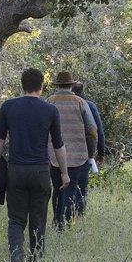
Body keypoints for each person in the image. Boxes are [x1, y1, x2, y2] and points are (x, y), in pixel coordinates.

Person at [0, 68, 70, 262]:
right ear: (42, 87)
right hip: (40, 172)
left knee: (16, 219)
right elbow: (58, 145)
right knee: (38, 216)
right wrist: (64, 173)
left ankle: (16, 259)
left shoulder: (8, 107)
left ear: (22, 86)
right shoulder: (50, 111)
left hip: (16, 171)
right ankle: (36, 257)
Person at [45, 71, 98, 229]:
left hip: (53, 154)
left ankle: (57, 220)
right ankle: (66, 222)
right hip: (77, 154)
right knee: (71, 188)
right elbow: (93, 130)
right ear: (71, 85)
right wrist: (91, 153)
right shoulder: (81, 102)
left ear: (58, 85)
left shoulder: (49, 102)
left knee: (57, 187)